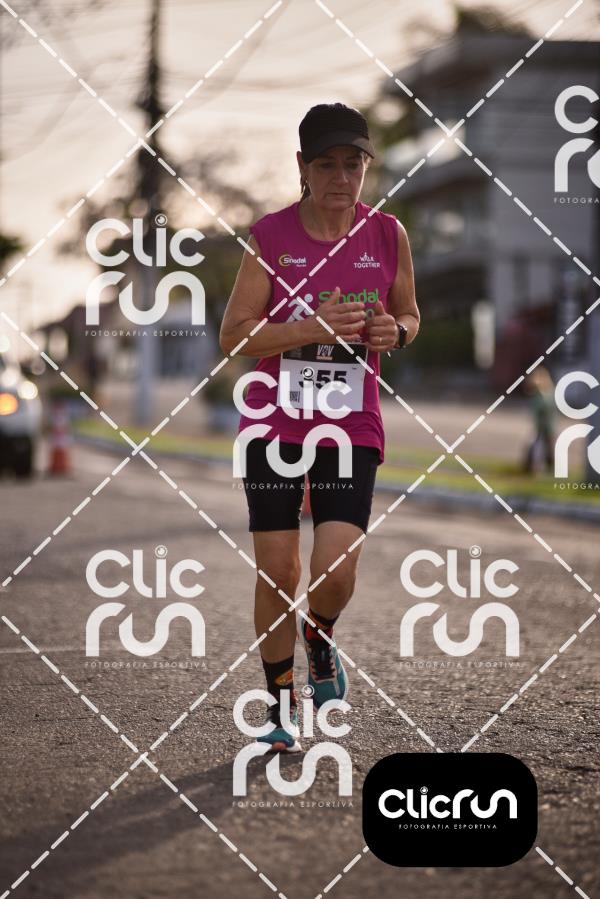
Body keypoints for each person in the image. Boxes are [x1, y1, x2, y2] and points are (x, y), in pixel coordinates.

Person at [220, 103, 419, 752]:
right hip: (274, 422)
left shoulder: (387, 234)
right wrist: (311, 325)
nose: (342, 177)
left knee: (335, 569)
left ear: (366, 167)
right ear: (302, 167)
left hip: (350, 423)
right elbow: (234, 336)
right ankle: (280, 706)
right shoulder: (270, 237)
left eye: (353, 163)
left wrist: (396, 332)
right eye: (327, 164)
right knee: (278, 570)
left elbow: (409, 314)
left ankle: (320, 633)